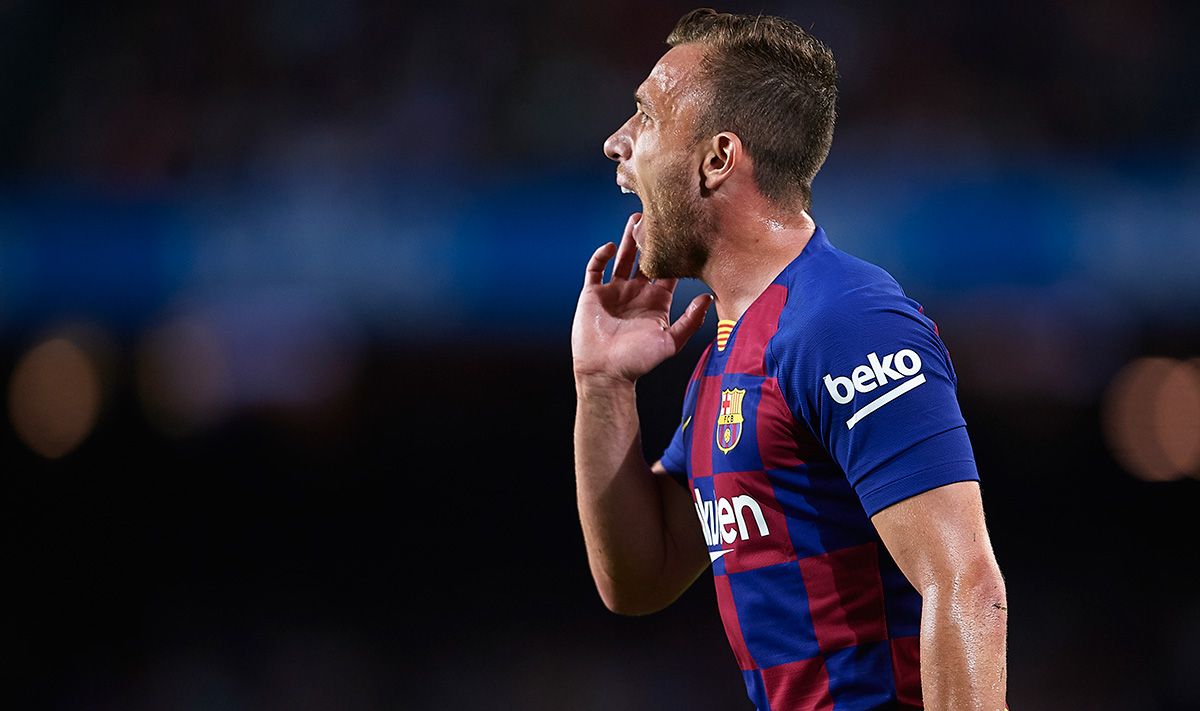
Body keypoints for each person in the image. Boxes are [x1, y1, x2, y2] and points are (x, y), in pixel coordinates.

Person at [570, 8, 1007, 710]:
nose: (615, 142)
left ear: (717, 159)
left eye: (645, 116)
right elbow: (640, 574)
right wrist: (602, 387)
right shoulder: (731, 348)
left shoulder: (845, 320)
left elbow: (966, 583)